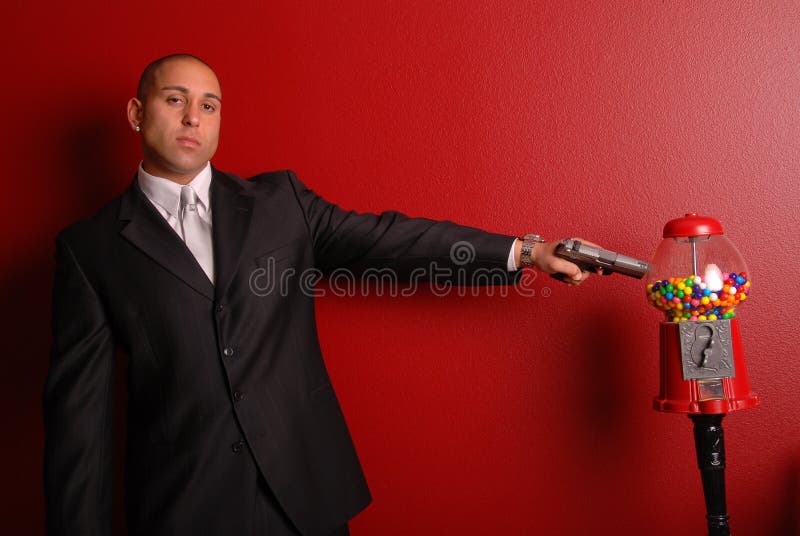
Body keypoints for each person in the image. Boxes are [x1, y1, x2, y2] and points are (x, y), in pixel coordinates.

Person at [43, 54, 593, 536]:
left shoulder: (280, 202)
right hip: (184, 506)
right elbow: (79, 428)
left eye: (209, 105)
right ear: (138, 113)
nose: (193, 117)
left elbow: (391, 241)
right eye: (175, 99)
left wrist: (525, 252)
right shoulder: (89, 248)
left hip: (304, 499)